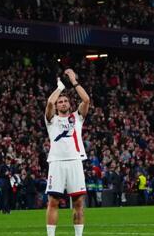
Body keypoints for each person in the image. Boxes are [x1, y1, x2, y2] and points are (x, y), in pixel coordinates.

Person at [45, 69, 91, 236]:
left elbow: (86, 99)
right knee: (53, 202)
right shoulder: (51, 120)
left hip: (75, 162)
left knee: (78, 203)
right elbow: (49, 103)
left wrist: (74, 81)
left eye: (65, 101)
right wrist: (59, 88)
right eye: (60, 101)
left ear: (69, 104)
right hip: (56, 163)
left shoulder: (76, 117)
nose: (62, 103)